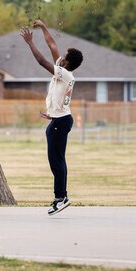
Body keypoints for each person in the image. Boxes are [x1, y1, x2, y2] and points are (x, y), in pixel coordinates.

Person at [20, 20, 83, 216]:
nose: (60, 56)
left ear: (67, 63)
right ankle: (60, 197)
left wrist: (30, 42)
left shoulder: (65, 74)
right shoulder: (63, 70)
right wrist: (43, 26)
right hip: (58, 119)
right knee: (56, 160)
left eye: (64, 57)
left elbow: (41, 61)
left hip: (61, 122)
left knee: (56, 161)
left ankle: (61, 198)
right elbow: (52, 45)